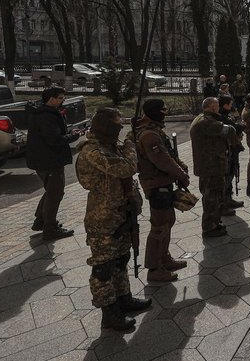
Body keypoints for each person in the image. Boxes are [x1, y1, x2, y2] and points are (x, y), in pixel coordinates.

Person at [76, 108, 151, 331]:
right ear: (106, 126)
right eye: (117, 123)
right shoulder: (93, 151)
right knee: (104, 267)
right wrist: (130, 147)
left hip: (120, 213)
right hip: (103, 218)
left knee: (120, 260)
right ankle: (109, 314)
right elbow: (126, 167)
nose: (120, 126)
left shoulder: (111, 145)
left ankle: (123, 299)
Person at [134, 99, 190, 283]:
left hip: (164, 181)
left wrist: (180, 167)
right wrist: (180, 174)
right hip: (155, 184)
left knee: (168, 221)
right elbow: (162, 160)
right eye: (162, 110)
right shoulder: (148, 135)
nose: (164, 114)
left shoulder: (155, 129)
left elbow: (169, 154)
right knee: (159, 226)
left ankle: (164, 258)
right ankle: (154, 268)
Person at [26, 86, 84, 240]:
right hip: (49, 161)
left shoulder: (45, 113)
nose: (62, 100)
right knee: (55, 193)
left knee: (52, 191)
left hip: (46, 160)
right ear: (51, 99)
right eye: (60, 98)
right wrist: (73, 136)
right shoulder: (47, 116)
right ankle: (50, 229)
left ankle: (41, 220)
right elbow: (54, 139)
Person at [190, 97, 236, 237]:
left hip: (213, 164)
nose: (218, 108)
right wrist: (230, 126)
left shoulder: (203, 119)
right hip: (210, 166)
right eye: (216, 106)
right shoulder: (205, 122)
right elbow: (230, 131)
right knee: (211, 197)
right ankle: (209, 227)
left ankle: (215, 223)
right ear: (211, 107)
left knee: (216, 196)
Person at [218, 96, 246, 211]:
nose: (231, 106)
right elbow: (233, 128)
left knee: (231, 174)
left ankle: (228, 198)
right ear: (224, 105)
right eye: (230, 104)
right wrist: (241, 126)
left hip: (233, 149)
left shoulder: (227, 114)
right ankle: (223, 203)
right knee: (226, 177)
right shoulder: (221, 117)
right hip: (226, 151)